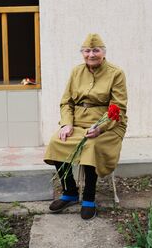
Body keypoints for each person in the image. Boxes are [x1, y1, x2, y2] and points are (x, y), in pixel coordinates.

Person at [44, 33, 128, 220]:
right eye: (87, 51)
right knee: (57, 140)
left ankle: (89, 197)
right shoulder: (76, 72)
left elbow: (118, 107)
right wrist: (67, 124)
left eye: (96, 50)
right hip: (78, 123)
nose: (91, 54)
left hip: (109, 124)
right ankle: (70, 192)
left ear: (103, 53)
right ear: (82, 53)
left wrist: (100, 127)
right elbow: (66, 102)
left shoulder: (116, 73)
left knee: (91, 145)